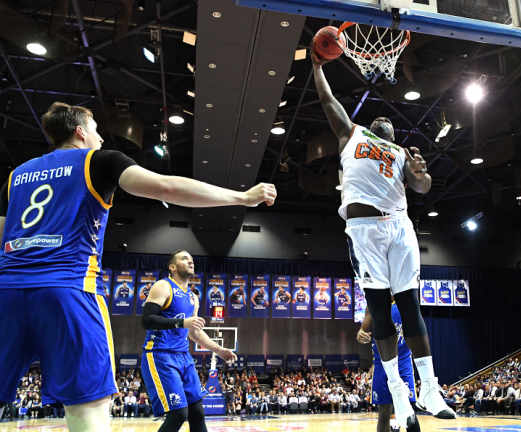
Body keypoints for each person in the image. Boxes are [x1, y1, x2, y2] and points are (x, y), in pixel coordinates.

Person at [0, 102, 276, 431]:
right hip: (69, 289)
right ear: (80, 132)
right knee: (89, 404)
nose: (101, 137)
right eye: (97, 129)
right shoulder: (99, 161)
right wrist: (241, 198)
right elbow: (167, 187)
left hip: (7, 292)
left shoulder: (15, 177)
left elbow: (3, 234)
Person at [312, 42, 453, 432]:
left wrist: (421, 171)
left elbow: (422, 188)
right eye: (379, 123)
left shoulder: (401, 153)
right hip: (365, 232)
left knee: (411, 307)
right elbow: (327, 102)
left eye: (389, 124)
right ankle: (398, 389)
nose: (383, 124)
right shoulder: (351, 136)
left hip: (399, 225)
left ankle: (429, 388)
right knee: (379, 311)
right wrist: (317, 67)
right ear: (370, 129)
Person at [141, 249, 238, 432]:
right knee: (178, 414)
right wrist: (182, 322)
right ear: (172, 267)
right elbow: (147, 320)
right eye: (184, 259)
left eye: (192, 259)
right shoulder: (163, 286)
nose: (190, 262)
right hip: (160, 355)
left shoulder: (193, 297)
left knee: (197, 412)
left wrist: (219, 350)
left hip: (184, 357)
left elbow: (195, 333)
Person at [357, 303, 416, 432]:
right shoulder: (373, 302)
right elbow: (362, 331)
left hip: (402, 361)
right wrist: (361, 334)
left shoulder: (404, 299)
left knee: (409, 409)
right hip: (381, 363)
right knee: (384, 412)